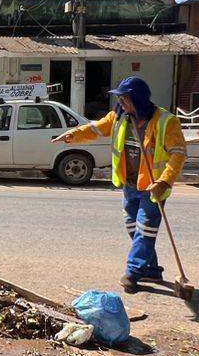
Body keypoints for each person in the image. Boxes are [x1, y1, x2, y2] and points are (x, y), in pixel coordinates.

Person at [55, 76, 187, 292]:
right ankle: (151, 270)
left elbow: (178, 154)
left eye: (125, 99)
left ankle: (133, 273)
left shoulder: (166, 121)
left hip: (153, 188)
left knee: (145, 230)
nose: (121, 103)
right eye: (120, 99)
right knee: (134, 229)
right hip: (129, 185)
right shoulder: (119, 117)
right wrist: (72, 135)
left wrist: (165, 181)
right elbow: (96, 129)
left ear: (138, 99)